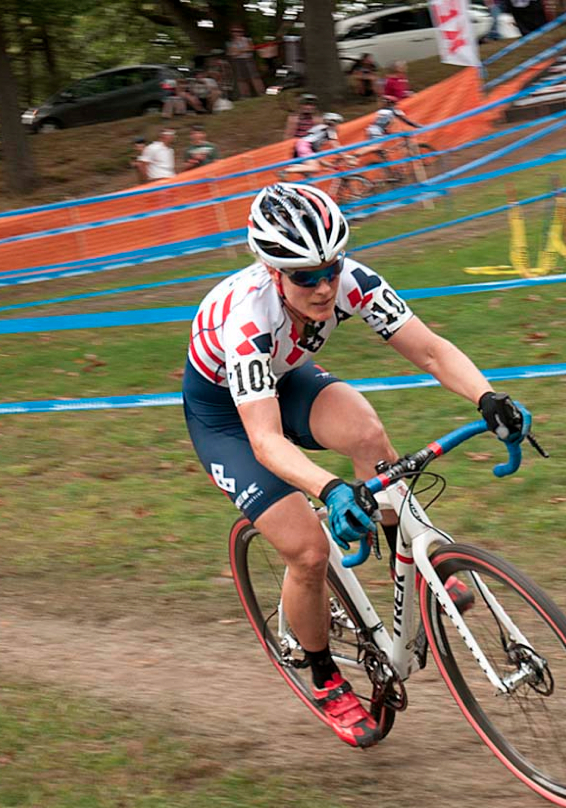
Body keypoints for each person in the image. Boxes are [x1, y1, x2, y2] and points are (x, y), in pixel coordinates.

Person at [181, 184, 529, 747]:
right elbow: (266, 443)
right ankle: (323, 676)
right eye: (305, 277)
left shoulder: (354, 284)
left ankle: (414, 569)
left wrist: (490, 399)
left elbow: (432, 350)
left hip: (287, 378)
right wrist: (331, 488)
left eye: (330, 269)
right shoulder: (247, 323)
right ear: (273, 272)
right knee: (309, 551)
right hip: (227, 415)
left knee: (369, 434)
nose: (323, 287)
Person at [286, 113, 343, 179]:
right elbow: (336, 146)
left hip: (300, 145)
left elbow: (317, 157)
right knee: (314, 168)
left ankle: (301, 186)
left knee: (308, 174)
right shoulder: (330, 129)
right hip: (305, 146)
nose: (338, 126)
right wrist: (346, 156)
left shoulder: (319, 131)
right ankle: (285, 171)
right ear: (333, 123)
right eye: (337, 123)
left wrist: (330, 165)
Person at [227, 25, 265, 99]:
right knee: (241, 79)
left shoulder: (247, 40)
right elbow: (231, 53)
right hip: (237, 61)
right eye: (234, 31)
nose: (236, 33)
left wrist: (239, 51)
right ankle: (245, 95)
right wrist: (243, 50)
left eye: (239, 31)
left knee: (254, 77)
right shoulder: (230, 42)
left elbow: (251, 48)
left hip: (248, 59)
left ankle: (261, 92)